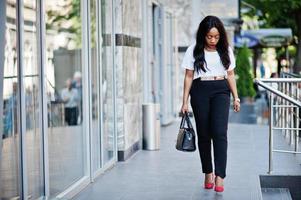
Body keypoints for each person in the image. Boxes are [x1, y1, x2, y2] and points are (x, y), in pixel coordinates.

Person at [180, 15, 240, 193]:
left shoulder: (225, 50)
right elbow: (188, 76)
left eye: (216, 36)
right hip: (200, 90)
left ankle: (220, 176)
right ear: (203, 35)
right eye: (209, 36)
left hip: (221, 90)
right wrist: (184, 102)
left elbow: (230, 75)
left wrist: (236, 97)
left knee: (220, 133)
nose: (213, 40)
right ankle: (208, 171)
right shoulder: (193, 50)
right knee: (204, 134)